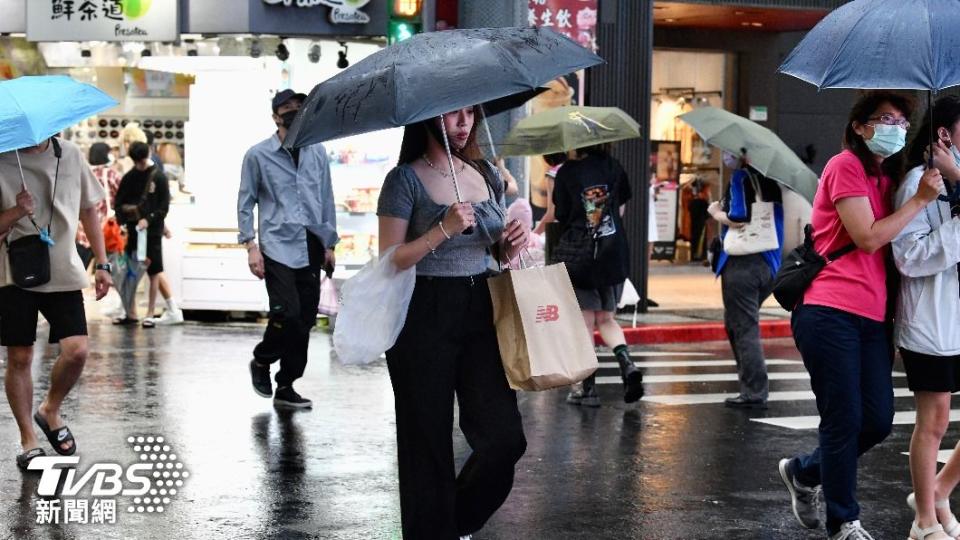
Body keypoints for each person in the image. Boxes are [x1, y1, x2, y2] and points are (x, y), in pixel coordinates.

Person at [778, 91, 943, 539]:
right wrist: (920, 201)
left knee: (877, 420)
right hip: (828, 308)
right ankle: (843, 521)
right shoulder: (844, 166)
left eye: (901, 121)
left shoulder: (890, 178)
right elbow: (868, 238)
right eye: (884, 118)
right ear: (859, 126)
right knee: (844, 418)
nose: (894, 127)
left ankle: (805, 471)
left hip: (873, 317)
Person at [377, 105, 528, 539]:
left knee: (504, 438)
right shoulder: (404, 180)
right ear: (428, 118)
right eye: (452, 115)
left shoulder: (486, 173)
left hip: (482, 305)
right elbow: (389, 261)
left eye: (469, 114)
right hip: (422, 312)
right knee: (427, 445)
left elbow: (493, 253)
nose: (463, 124)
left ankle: (452, 522)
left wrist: (509, 247)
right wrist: (441, 228)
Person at [0, 136, 113, 470]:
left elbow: (89, 209)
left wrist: (103, 264)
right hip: (12, 271)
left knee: (77, 349)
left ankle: (50, 408)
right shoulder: (3, 158)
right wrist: (17, 211)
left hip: (63, 267)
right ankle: (28, 439)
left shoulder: (70, 154)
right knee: (20, 356)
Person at [238, 89, 338, 410]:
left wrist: (330, 243)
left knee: (305, 319)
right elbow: (245, 202)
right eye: (287, 107)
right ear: (275, 116)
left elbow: (326, 198)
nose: (295, 111)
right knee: (287, 312)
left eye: (300, 106)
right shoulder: (258, 155)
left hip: (310, 243)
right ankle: (262, 360)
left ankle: (286, 385)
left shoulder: (317, 152)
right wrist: (250, 246)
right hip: (276, 245)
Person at [894, 95, 960, 540]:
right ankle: (924, 522)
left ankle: (936, 490)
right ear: (944, 135)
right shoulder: (918, 184)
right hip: (931, 321)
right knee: (933, 421)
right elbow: (910, 258)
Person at [553, 144, 643, 407]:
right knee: (606, 319)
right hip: (613, 253)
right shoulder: (613, 166)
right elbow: (621, 209)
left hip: (582, 257)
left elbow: (562, 215)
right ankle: (627, 364)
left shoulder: (567, 172)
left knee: (584, 325)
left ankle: (586, 388)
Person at [708, 151, 784, 409]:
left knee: (744, 327)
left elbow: (739, 216)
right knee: (737, 324)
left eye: (731, 153)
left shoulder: (741, 177)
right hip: (768, 264)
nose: (727, 156)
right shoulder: (770, 182)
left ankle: (754, 391)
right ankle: (749, 385)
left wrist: (717, 212)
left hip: (743, 265)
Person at [114, 142, 180, 328]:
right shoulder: (151, 176)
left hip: (151, 231)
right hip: (138, 230)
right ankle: (133, 311)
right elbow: (120, 203)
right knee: (133, 271)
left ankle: (147, 312)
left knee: (152, 271)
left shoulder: (155, 177)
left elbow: (162, 207)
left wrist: (147, 220)